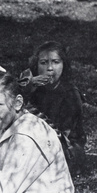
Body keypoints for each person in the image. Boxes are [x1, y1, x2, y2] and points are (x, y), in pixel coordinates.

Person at [22, 41, 87, 174]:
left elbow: (63, 134)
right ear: (36, 65)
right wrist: (27, 89)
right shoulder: (35, 89)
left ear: (64, 65)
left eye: (56, 62)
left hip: (66, 147)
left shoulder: (70, 94)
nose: (50, 68)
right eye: (44, 63)